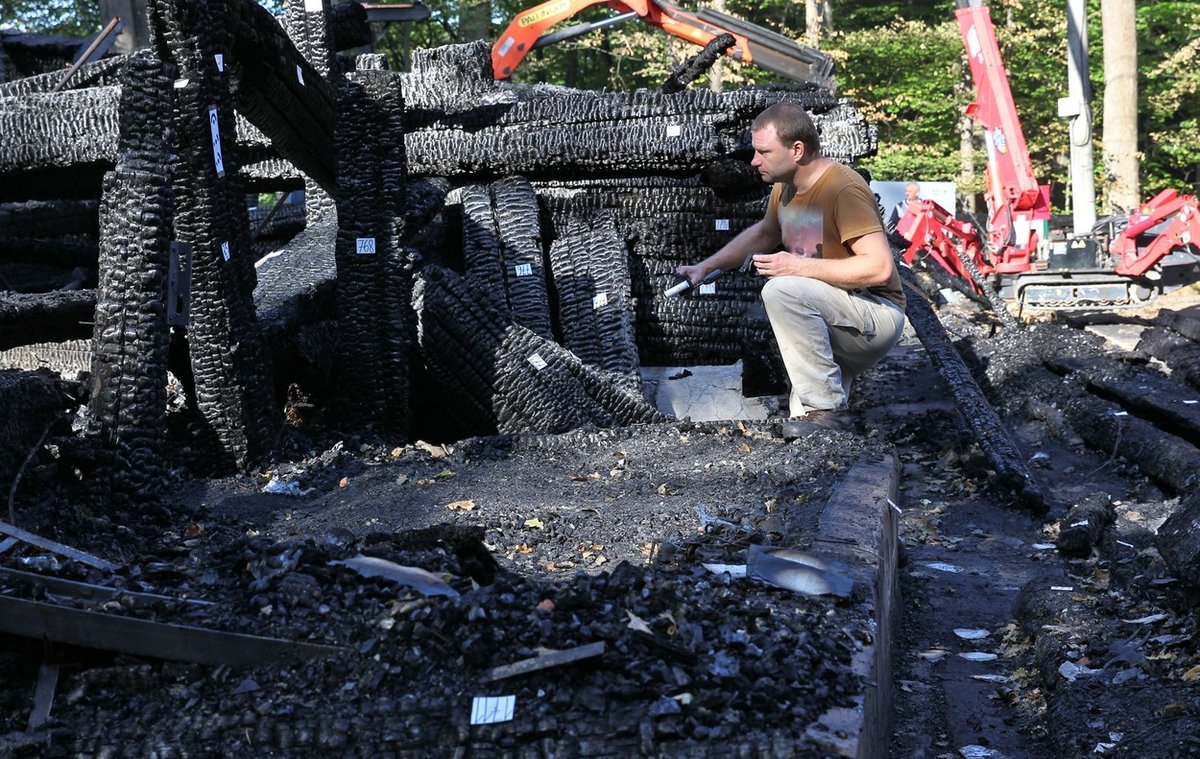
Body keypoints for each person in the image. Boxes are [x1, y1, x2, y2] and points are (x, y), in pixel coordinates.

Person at [675, 102, 907, 437]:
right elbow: (764, 233)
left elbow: (880, 268)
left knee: (783, 289)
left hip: (875, 315)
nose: (755, 162)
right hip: (837, 312)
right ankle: (827, 427)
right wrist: (706, 267)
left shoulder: (842, 189)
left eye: (763, 152)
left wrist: (797, 266)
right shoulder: (784, 188)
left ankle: (826, 408)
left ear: (797, 150)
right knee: (808, 434)